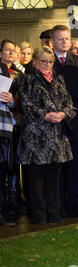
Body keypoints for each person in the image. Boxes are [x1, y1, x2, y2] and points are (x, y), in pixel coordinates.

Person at [18, 46, 75, 225]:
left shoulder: (59, 79)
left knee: (53, 180)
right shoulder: (27, 80)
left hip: (57, 138)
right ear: (35, 63)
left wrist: (63, 114)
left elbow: (69, 102)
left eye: (51, 61)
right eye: (44, 61)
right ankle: (40, 215)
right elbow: (26, 105)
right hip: (36, 139)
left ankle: (54, 213)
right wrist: (45, 115)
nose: (48, 64)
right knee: (36, 181)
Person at [51, 25, 78, 217]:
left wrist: (74, 108)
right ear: (52, 42)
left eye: (67, 38)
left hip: (77, 122)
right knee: (58, 169)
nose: (65, 42)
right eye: (60, 39)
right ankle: (58, 206)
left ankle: (75, 204)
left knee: (77, 166)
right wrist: (63, 111)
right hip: (56, 123)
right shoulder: (47, 61)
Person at [0, 61, 16, 227]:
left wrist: (10, 99)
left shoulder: (3, 67)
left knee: (3, 170)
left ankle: (2, 214)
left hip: (3, 127)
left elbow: (11, 100)